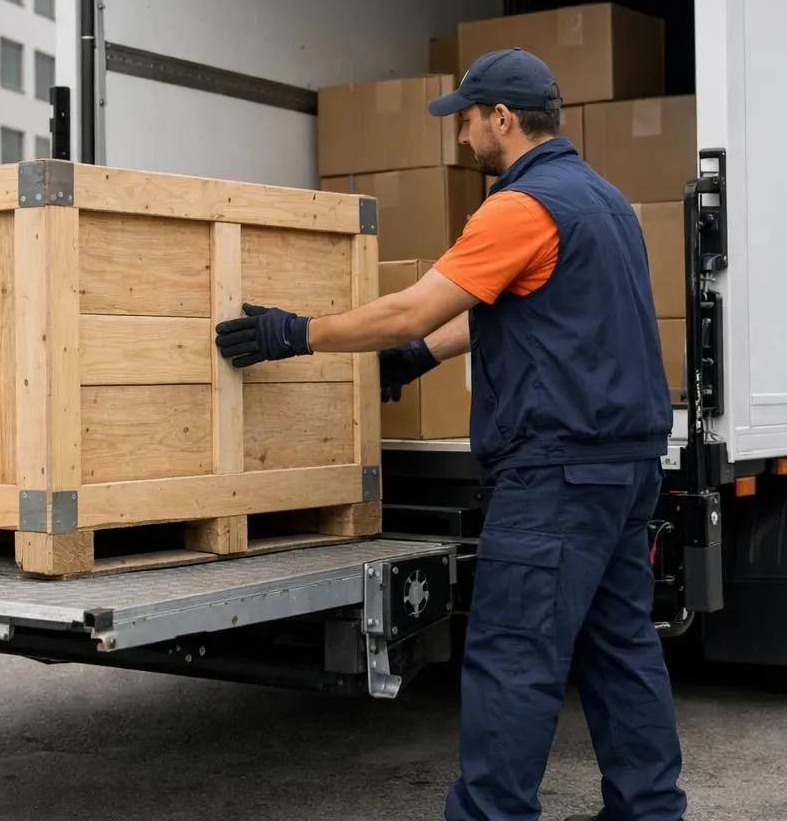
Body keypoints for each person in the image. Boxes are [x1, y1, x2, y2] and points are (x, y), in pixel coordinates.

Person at [214, 47, 687, 821]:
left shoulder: (519, 206)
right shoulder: (604, 202)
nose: (462, 138)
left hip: (555, 475)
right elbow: (519, 308)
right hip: (626, 467)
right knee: (620, 648)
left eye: (466, 121)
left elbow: (415, 306)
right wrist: (419, 357)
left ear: (502, 118)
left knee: (513, 656)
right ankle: (650, 811)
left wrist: (294, 333)